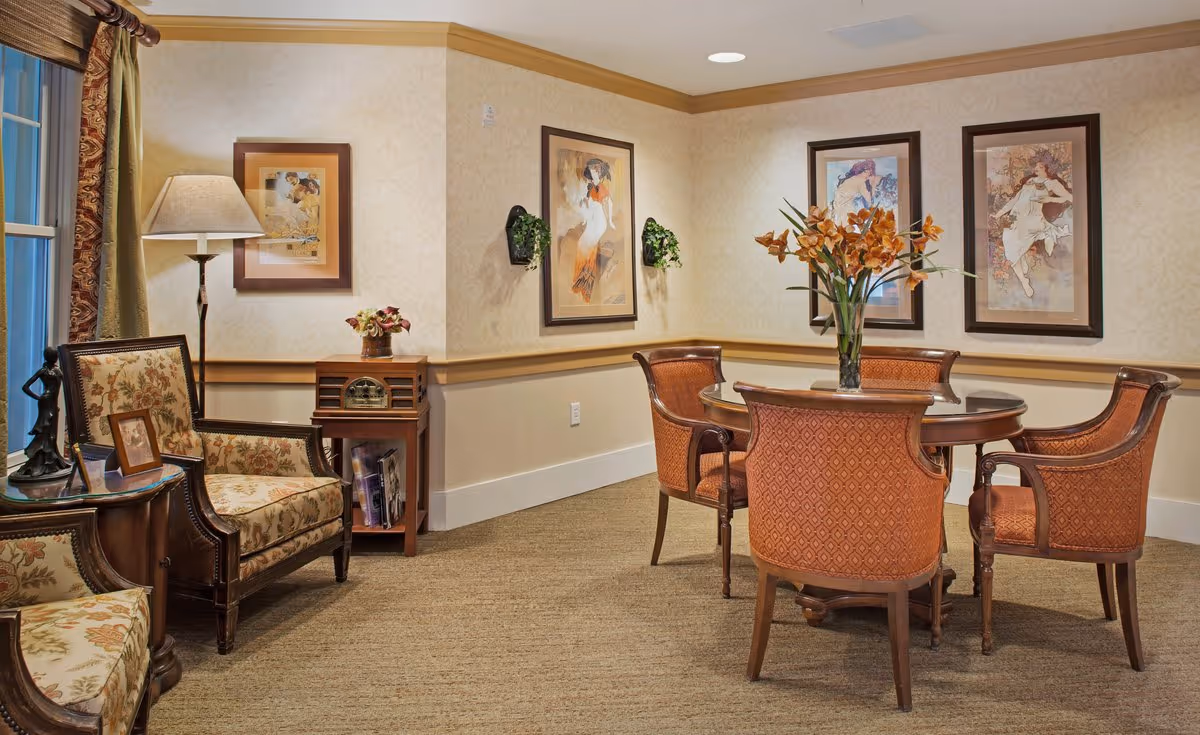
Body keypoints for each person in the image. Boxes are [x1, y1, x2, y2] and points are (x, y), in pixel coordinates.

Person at [991, 158, 1073, 299]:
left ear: (1047, 169)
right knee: (1009, 248)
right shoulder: (1030, 181)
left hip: (1032, 221)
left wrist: (1050, 199)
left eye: (1040, 166)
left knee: (1017, 249)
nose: (1036, 168)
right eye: (1036, 166)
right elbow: (1014, 200)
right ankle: (1024, 280)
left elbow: (1069, 197)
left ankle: (1040, 241)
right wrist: (998, 214)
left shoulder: (1052, 183)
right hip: (1015, 219)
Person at [10, 347, 71, 482]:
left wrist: (41, 398)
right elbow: (25, 387)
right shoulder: (48, 371)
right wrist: (39, 398)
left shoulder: (52, 370)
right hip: (47, 402)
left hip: (50, 402)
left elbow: (26, 387)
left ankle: (51, 459)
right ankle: (43, 461)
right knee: (46, 429)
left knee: (51, 431)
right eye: (55, 355)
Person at [570, 158, 616, 303]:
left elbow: (609, 203)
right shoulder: (590, 189)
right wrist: (585, 218)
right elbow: (587, 206)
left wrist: (610, 220)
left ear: (600, 174)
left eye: (596, 172)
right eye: (591, 172)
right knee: (581, 244)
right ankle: (581, 280)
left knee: (588, 246)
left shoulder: (601, 188)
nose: (593, 175)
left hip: (599, 221)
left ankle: (586, 282)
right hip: (591, 220)